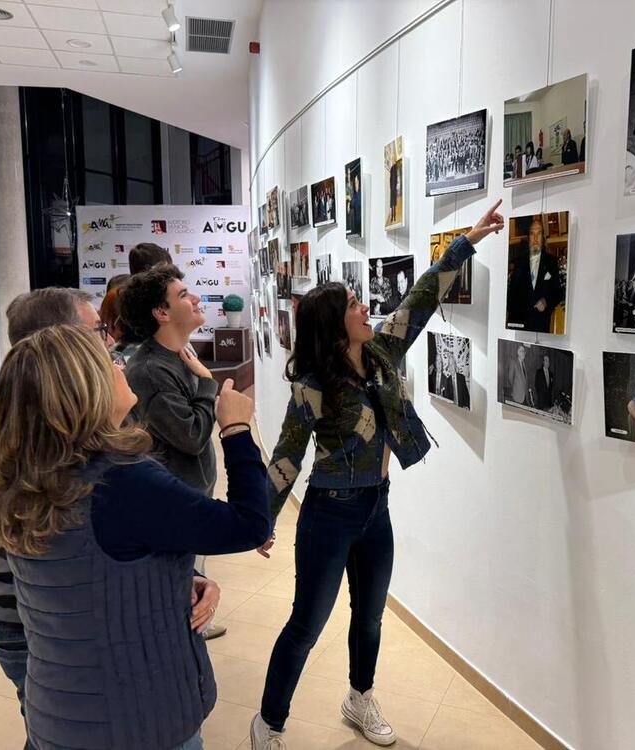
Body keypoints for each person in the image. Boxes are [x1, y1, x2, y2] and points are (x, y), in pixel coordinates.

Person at [249, 200, 505, 749]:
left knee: (369, 619)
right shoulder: (313, 384)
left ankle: (359, 697)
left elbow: (422, 296)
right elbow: (287, 456)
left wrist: (467, 242)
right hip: (329, 514)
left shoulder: (383, 351)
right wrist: (261, 519)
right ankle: (268, 723)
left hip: (375, 509)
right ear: (333, 325)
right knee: (305, 627)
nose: (365, 307)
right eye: (353, 304)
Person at [0, 324, 271, 750]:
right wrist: (235, 429)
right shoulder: (121, 482)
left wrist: (178, 579)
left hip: (59, 714)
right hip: (137, 722)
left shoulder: (27, 478)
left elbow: (88, 570)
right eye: (109, 363)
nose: (122, 367)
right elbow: (249, 525)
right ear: (85, 389)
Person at [0, 288, 116, 750]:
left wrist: (7, 544)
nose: (107, 342)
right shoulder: (69, 421)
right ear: (60, 339)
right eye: (96, 331)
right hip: (46, 619)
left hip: (2, 612)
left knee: (48, 726)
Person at [119, 265, 228, 639]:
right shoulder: (150, 370)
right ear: (161, 313)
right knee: (179, 607)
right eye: (183, 295)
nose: (195, 298)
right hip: (173, 509)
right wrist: (208, 383)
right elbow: (192, 435)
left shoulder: (178, 355)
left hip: (189, 502)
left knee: (192, 588)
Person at [506, 219, 562, 332]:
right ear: (528, 237)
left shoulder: (551, 262)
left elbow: (558, 292)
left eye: (539, 233)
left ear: (543, 237)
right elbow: (511, 295)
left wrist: (546, 301)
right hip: (519, 325)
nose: (535, 238)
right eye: (532, 233)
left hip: (540, 325)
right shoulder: (518, 261)